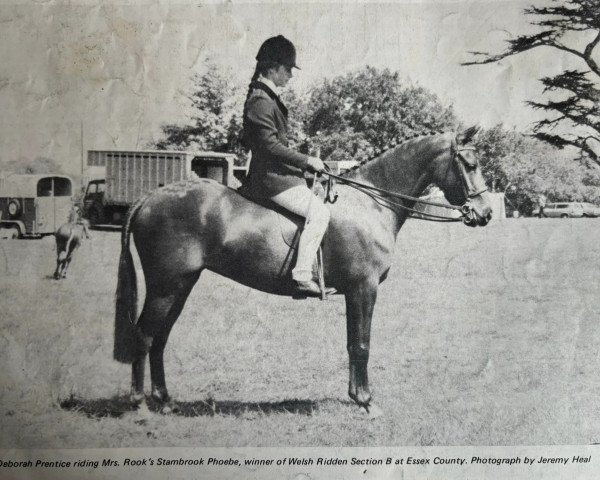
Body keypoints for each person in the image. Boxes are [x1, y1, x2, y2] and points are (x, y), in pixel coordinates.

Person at [242, 35, 331, 296]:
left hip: (278, 175)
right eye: (289, 69)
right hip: (270, 180)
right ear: (274, 68)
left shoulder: (266, 98)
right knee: (320, 214)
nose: (291, 75)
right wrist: (307, 161)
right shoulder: (260, 101)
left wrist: (304, 169)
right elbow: (269, 147)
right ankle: (301, 275)